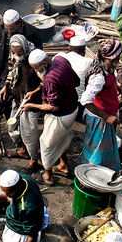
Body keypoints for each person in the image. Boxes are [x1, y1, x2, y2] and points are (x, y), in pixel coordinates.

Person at [24, 49, 79, 185]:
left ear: (44, 63)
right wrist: (36, 91)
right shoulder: (61, 59)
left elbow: (54, 107)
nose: (36, 71)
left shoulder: (51, 79)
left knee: (46, 143)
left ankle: (48, 175)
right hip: (73, 108)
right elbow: (76, 80)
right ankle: (64, 165)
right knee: (61, 138)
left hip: (60, 115)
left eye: (37, 69)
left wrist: (33, 106)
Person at [80, 40, 122, 170]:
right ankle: (92, 174)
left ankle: (102, 170)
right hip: (99, 120)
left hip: (106, 117)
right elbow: (85, 100)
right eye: (112, 60)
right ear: (104, 58)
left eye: (117, 59)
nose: (116, 63)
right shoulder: (98, 76)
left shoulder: (106, 68)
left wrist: (118, 89)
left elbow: (109, 82)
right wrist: (106, 117)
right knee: (97, 153)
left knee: (101, 148)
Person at [0, 169, 46, 242]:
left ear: (18, 187)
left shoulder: (27, 208)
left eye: (9, 193)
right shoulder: (24, 178)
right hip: (14, 225)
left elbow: (33, 236)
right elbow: (9, 196)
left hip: (20, 236)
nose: (6, 195)